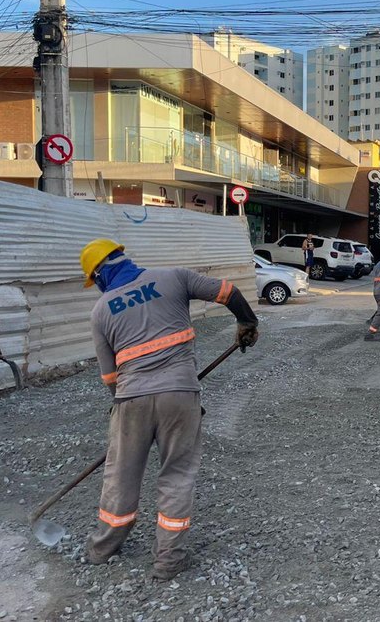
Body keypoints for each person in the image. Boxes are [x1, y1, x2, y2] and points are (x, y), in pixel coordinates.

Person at [79, 239, 259, 580]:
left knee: (120, 475)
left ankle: (102, 549)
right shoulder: (174, 277)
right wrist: (246, 323)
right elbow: (228, 292)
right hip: (181, 394)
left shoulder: (101, 311)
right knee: (176, 475)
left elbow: (109, 377)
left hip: (130, 398)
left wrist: (124, 410)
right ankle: (168, 561)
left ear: (100, 274)